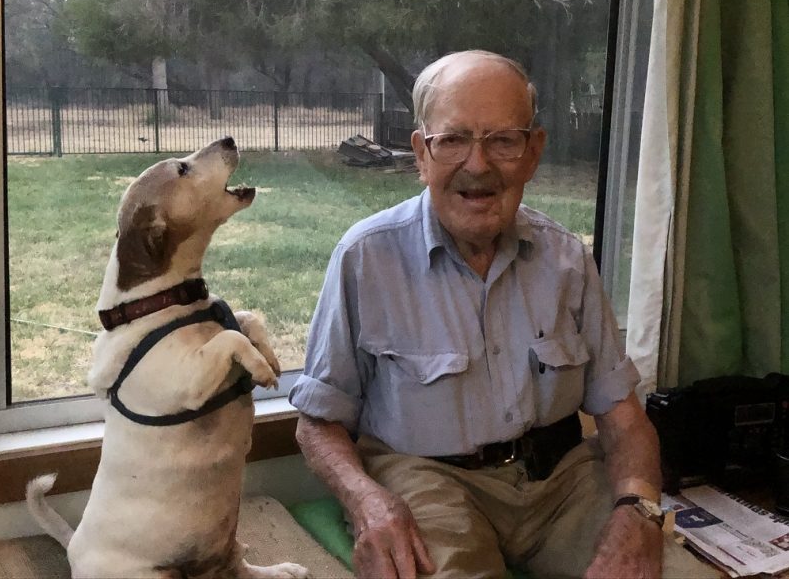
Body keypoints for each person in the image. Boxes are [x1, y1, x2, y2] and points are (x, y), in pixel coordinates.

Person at [289, 50, 718, 579]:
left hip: (563, 480)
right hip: (428, 480)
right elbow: (317, 424)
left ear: (533, 152)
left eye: (503, 140)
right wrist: (367, 502)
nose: (478, 164)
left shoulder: (567, 259)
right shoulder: (364, 257)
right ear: (421, 153)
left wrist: (638, 512)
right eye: (453, 140)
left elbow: (624, 419)